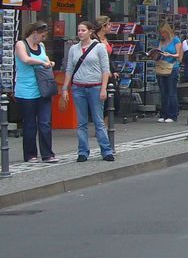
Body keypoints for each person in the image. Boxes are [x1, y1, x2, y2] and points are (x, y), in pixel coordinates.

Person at [60, 21, 114, 162]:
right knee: (81, 122)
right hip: (78, 87)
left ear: (90, 31)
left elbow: (105, 69)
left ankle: (106, 150)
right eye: (79, 30)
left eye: (83, 30)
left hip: (95, 86)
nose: (80, 33)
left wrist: (104, 88)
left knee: (98, 121)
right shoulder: (73, 49)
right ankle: (83, 152)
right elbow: (69, 69)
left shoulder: (99, 47)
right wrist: (65, 88)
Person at [13, 21, 57, 163]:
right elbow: (25, 59)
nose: (43, 39)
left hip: (42, 89)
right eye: (42, 36)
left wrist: (50, 63)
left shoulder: (41, 46)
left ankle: (47, 154)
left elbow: (46, 59)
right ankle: (30, 155)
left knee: (45, 122)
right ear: (35, 33)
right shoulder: (21, 44)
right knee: (30, 124)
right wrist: (41, 63)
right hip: (26, 90)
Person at [155, 23, 183, 123]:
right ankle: (163, 113)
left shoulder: (176, 40)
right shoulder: (161, 41)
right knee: (163, 92)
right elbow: (159, 51)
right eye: (161, 33)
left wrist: (169, 54)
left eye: (164, 33)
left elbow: (178, 55)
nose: (162, 35)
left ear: (168, 32)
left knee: (171, 92)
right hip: (162, 66)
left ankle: (172, 114)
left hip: (172, 67)